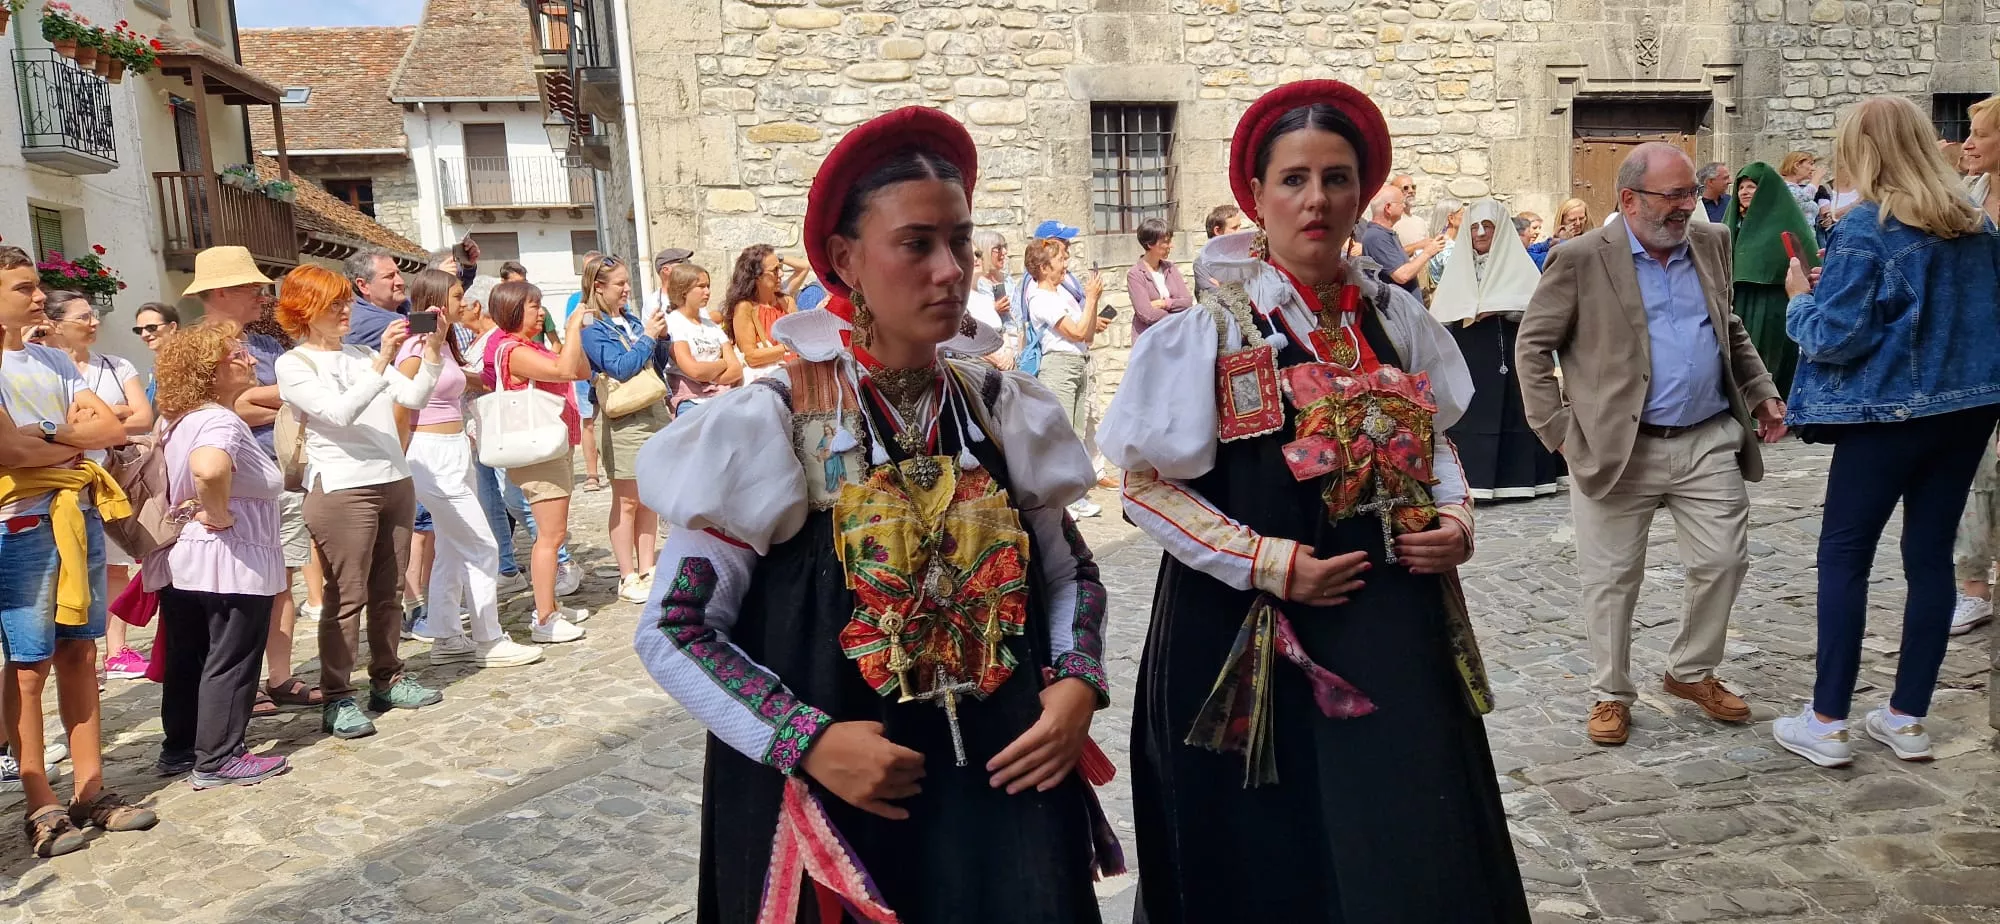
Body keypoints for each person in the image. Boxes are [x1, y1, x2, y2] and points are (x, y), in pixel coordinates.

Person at [634, 104, 1111, 924]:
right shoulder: (774, 421)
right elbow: (674, 629)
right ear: (847, 259)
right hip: (847, 805)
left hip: (1007, 787)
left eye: (960, 241)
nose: (949, 269)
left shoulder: (999, 409)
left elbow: (1072, 572)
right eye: (916, 244)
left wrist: (1075, 685)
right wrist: (806, 741)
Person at [1098, 80, 1527, 922]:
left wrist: (1456, 518)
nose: (1317, 199)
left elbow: (1435, 440)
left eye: (1337, 178)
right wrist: (1266, 561)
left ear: (1362, 193)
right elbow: (1145, 487)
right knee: (1271, 852)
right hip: (1248, 632)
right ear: (1256, 195)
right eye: (1294, 179)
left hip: (1393, 622)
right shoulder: (1211, 331)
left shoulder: (1395, 320)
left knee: (1401, 830)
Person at [1516, 142, 1788, 747]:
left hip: (1707, 437)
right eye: (1674, 195)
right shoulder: (1580, 258)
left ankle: (1690, 671)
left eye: (1691, 192)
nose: (1687, 206)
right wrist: (1558, 430)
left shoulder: (1711, 241)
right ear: (1630, 199)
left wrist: (1760, 391)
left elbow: (1728, 326)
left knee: (1724, 560)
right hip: (1617, 448)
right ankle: (1611, 693)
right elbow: (1533, 346)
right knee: (1612, 578)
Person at [1766, 96, 2000, 767]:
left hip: (1887, 415)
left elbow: (1835, 338)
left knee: (1845, 553)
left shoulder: (1867, 228)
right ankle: (1907, 716)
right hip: (1966, 412)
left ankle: (1828, 720)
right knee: (1929, 557)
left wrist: (1801, 300)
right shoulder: (1976, 225)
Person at [0, 245, 150, 857]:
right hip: (17, 522)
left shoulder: (52, 360)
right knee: (28, 665)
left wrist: (45, 433)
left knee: (81, 652)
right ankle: (40, 801)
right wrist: (68, 439)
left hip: (75, 511)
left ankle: (90, 790)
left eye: (37, 285)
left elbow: (111, 430)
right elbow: (7, 452)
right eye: (23, 288)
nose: (39, 297)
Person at [274, 264, 447, 740]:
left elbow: (413, 396)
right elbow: (338, 413)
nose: (345, 311)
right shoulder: (295, 364)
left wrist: (432, 350)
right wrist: (382, 360)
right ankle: (337, 695)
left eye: (346, 302)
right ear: (305, 310)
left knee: (389, 591)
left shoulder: (361, 353)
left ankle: (387, 678)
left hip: (393, 477)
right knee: (346, 596)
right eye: (334, 305)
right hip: (342, 487)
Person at [147, 324, 292, 789]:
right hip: (229, 557)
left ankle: (181, 748)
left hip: (184, 555)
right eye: (237, 355)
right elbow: (208, 469)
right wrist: (220, 513)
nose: (251, 360)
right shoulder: (220, 421)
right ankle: (220, 757)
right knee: (232, 656)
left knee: (188, 655)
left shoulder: (176, 420)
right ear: (209, 370)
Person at [184, 247, 324, 716]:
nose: (264, 296)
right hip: (229, 487)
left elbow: (276, 401)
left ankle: (279, 676)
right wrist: (285, 398)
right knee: (232, 591)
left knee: (281, 580)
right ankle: (239, 685)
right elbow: (220, 409)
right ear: (221, 292)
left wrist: (257, 399)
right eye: (252, 288)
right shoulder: (195, 347)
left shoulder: (266, 345)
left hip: (278, 476)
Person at [396, 270, 542, 669]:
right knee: (481, 545)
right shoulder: (415, 347)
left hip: (455, 448)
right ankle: (488, 638)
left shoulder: (443, 343)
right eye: (458, 295)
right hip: (430, 454)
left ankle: (446, 634)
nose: (465, 302)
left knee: (451, 545)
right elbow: (400, 404)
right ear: (438, 300)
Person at [43, 292, 151, 680]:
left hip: (111, 481)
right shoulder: (44, 368)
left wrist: (100, 420)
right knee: (64, 570)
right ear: (55, 324)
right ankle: (73, 654)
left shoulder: (116, 366)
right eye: (83, 317)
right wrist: (104, 420)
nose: (94, 323)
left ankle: (115, 649)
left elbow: (142, 417)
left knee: (116, 567)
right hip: (59, 483)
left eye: (94, 315)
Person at [480, 281, 592, 642]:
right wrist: (572, 328)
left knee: (554, 532)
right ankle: (544, 618)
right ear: (513, 310)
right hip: (538, 451)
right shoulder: (514, 350)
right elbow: (563, 371)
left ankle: (550, 603)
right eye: (533, 306)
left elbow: (579, 370)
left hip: (552, 446)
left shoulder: (532, 345)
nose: (541, 312)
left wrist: (572, 337)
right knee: (551, 535)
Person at [1430, 198, 1564, 500]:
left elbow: (1535, 308)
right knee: (1472, 409)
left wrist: (1501, 307)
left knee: (1515, 409)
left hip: (1509, 349)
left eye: (1487, 226)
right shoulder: (1459, 264)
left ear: (1500, 229)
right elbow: (1444, 311)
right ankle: (1474, 479)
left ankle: (1519, 479)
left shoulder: (1517, 263)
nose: (1480, 233)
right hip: (1469, 351)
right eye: (1474, 227)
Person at [459, 276, 571, 597]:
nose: (461, 310)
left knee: (522, 507)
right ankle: (542, 597)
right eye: (535, 306)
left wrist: (461, 376)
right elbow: (564, 370)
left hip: (512, 431)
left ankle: (543, 575)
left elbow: (564, 370)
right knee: (528, 513)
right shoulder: (504, 344)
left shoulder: (500, 341)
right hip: (512, 433)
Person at [578, 254, 671, 605]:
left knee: (649, 497)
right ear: (598, 287)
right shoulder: (592, 327)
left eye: (627, 282)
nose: (627, 289)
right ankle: (627, 574)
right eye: (620, 284)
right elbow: (619, 367)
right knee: (628, 499)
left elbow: (654, 366)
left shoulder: (630, 320)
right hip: (623, 420)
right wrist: (648, 337)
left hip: (652, 411)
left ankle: (647, 568)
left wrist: (661, 339)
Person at [1025, 238, 1110, 519]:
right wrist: (1092, 299)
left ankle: (1074, 495)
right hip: (1059, 366)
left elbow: (1087, 334)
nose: (1066, 265)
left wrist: (1092, 303)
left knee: (1075, 433)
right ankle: (1059, 499)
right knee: (1061, 433)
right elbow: (1075, 332)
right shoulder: (1040, 297)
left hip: (1077, 363)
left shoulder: (1062, 294)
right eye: (1060, 260)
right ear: (1044, 267)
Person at [1724, 162, 1820, 399]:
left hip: (1773, 304)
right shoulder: (1733, 224)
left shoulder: (1786, 219)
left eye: (1751, 186)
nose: (1744, 192)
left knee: (1769, 358)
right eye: (1741, 187)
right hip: (1738, 300)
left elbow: (1806, 261)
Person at [662, 263, 741, 415]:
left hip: (721, 396)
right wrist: (722, 363)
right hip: (690, 400)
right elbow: (694, 370)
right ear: (684, 290)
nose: (707, 292)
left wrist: (710, 377)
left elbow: (736, 370)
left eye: (708, 286)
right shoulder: (673, 324)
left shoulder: (711, 326)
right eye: (701, 286)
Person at [726, 245, 806, 383]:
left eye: (780, 268)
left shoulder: (787, 302)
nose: (781, 274)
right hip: (770, 381)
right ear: (757, 276)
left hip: (798, 375)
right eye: (775, 270)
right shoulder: (745, 308)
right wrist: (786, 347)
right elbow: (751, 357)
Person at [1357, 186, 1445, 294]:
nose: (1404, 206)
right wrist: (1428, 252)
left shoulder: (1385, 233)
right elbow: (1402, 275)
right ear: (1388, 207)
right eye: (1401, 203)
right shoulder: (1376, 236)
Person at [964, 230, 1022, 368]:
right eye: (998, 248)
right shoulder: (960, 298)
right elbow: (966, 336)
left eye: (978, 255)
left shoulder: (1006, 281)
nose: (1004, 252)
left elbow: (1003, 331)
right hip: (982, 365)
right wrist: (999, 360)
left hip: (1011, 355)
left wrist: (1009, 352)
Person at [1127, 218, 1193, 336]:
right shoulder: (1135, 274)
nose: (1171, 246)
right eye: (1166, 242)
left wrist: (1164, 303)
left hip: (1175, 337)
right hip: (1150, 338)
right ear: (1150, 244)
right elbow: (1146, 314)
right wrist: (1177, 317)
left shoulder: (1170, 268)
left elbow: (1187, 301)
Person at [341, 249, 409, 350]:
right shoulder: (367, 323)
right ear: (363, 286)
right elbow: (427, 327)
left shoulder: (403, 304)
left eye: (398, 274)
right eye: (389, 276)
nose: (401, 282)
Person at [1779, 151, 1833, 242]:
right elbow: (1804, 196)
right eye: (1810, 164)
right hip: (1793, 239)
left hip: (1809, 237)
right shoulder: (1783, 187)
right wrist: (1816, 178)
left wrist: (1823, 219)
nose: (1813, 168)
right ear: (1797, 165)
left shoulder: (1799, 188)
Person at [132, 302, 179, 407]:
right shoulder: (157, 367)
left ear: (172, 327)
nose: (144, 335)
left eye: (151, 328)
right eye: (139, 330)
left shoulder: (186, 364)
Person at [1197, 204, 1248, 296]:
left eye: (1239, 227)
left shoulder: (1245, 258)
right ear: (1217, 231)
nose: (1239, 232)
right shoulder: (1202, 264)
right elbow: (1211, 299)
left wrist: (1222, 288)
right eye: (1234, 228)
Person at [1530, 197, 1592, 270]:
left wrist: (1564, 242)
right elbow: (1529, 254)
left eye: (1581, 218)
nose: (1578, 223)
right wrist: (1553, 242)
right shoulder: (1554, 243)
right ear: (1562, 221)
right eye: (1572, 220)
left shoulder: (1592, 241)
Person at [1423, 197, 1466, 281]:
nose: (1467, 218)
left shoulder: (1436, 243)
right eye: (1463, 214)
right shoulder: (1447, 248)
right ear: (1451, 218)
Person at [644, 247, 694, 316]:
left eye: (689, 262)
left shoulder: (693, 295)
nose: (689, 268)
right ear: (666, 270)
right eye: (683, 263)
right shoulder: (653, 303)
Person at [1389, 173, 1431, 248]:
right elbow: (1391, 252)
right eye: (1405, 188)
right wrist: (1418, 245)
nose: (1411, 191)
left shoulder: (1420, 221)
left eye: (1413, 187)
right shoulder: (1390, 222)